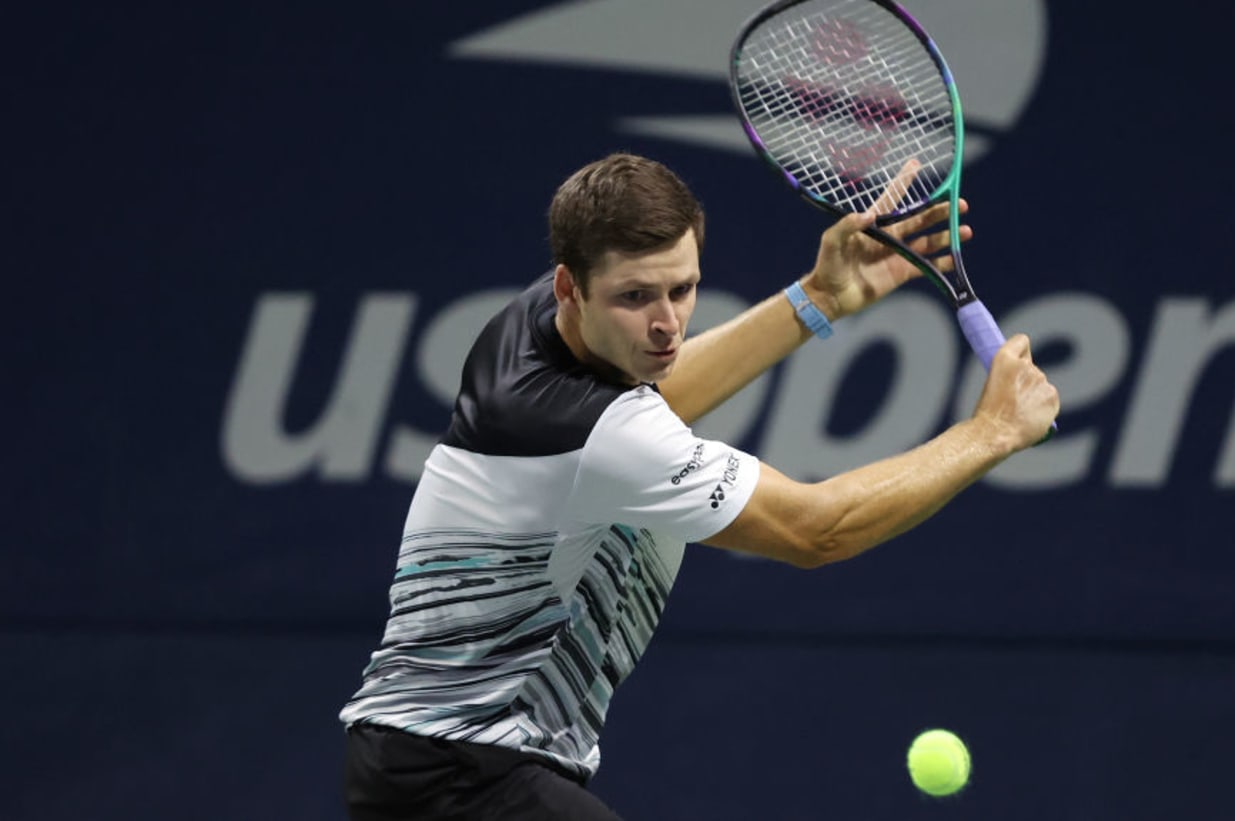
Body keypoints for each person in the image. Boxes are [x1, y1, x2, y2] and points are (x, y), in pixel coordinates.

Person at [339, 152, 1059, 820]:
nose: (666, 323)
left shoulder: (536, 328)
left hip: (436, 763)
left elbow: (657, 394)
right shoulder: (596, 433)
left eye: (682, 289)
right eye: (635, 297)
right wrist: (992, 431)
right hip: (458, 775)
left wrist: (819, 297)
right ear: (569, 287)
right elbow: (817, 529)